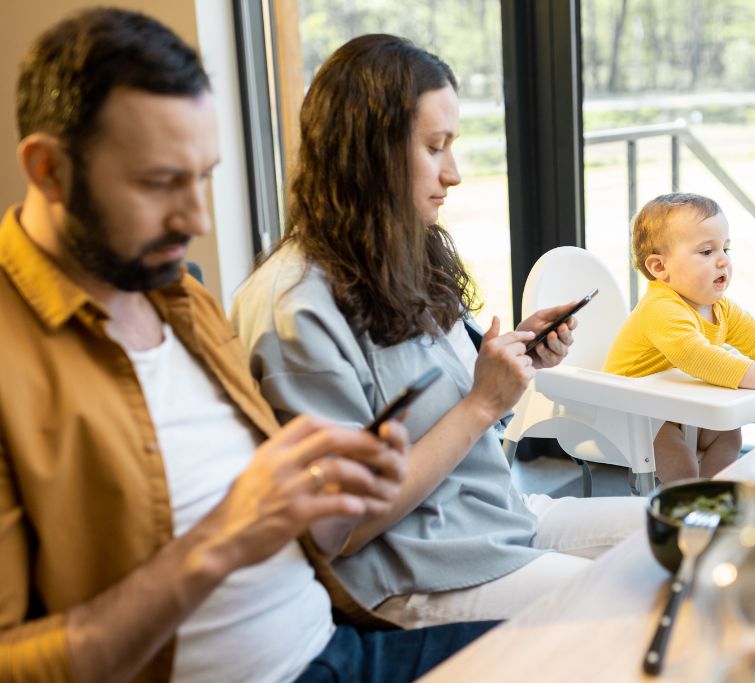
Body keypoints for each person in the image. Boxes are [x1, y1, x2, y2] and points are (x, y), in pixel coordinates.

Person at [0, 9, 495, 683]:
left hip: (338, 645)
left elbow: (300, 535)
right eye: (159, 183)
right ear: (48, 170)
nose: (198, 219)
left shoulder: (179, 300)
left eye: (203, 176)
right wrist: (218, 542)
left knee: (606, 648)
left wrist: (328, 496)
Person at [231, 34, 645, 630]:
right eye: (434, 147)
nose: (453, 174)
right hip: (416, 569)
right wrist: (482, 403)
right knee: (639, 607)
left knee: (695, 533)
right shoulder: (295, 309)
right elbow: (341, 532)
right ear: (368, 153)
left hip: (499, 520)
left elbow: (454, 411)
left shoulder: (401, 259)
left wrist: (513, 362)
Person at [603, 193, 755, 482]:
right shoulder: (660, 308)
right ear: (660, 268)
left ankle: (717, 495)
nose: (722, 262)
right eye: (706, 252)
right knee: (679, 464)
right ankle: (690, 509)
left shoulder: (716, 305)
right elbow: (698, 357)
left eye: (725, 250)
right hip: (630, 410)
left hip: (675, 403)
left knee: (728, 435)